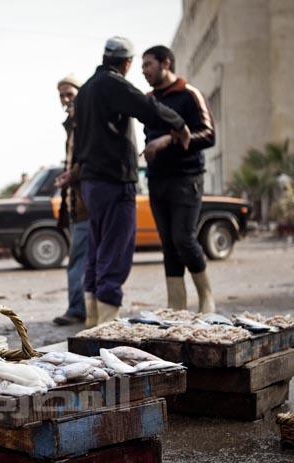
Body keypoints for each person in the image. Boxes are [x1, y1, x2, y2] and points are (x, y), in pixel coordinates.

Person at [71, 36, 190, 326]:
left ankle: (92, 320)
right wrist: (179, 124)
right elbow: (146, 107)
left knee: (97, 251)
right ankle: (106, 326)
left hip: (91, 183)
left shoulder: (85, 90)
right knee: (115, 251)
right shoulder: (113, 84)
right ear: (126, 62)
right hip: (113, 181)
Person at [142, 45, 216, 313]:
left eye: (148, 64)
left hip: (187, 179)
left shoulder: (189, 94)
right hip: (156, 180)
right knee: (168, 244)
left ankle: (206, 298)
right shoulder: (148, 99)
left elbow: (208, 134)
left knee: (183, 238)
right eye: (142, 66)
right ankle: (176, 306)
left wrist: (168, 140)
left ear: (166, 63)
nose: (144, 71)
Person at [52, 75, 89, 326]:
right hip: (76, 202)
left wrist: (72, 175)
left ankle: (78, 309)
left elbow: (92, 160)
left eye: (70, 94)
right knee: (81, 260)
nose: (66, 100)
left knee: (79, 261)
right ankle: (83, 309)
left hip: (87, 202)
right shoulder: (72, 124)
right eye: (62, 95)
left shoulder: (86, 121)